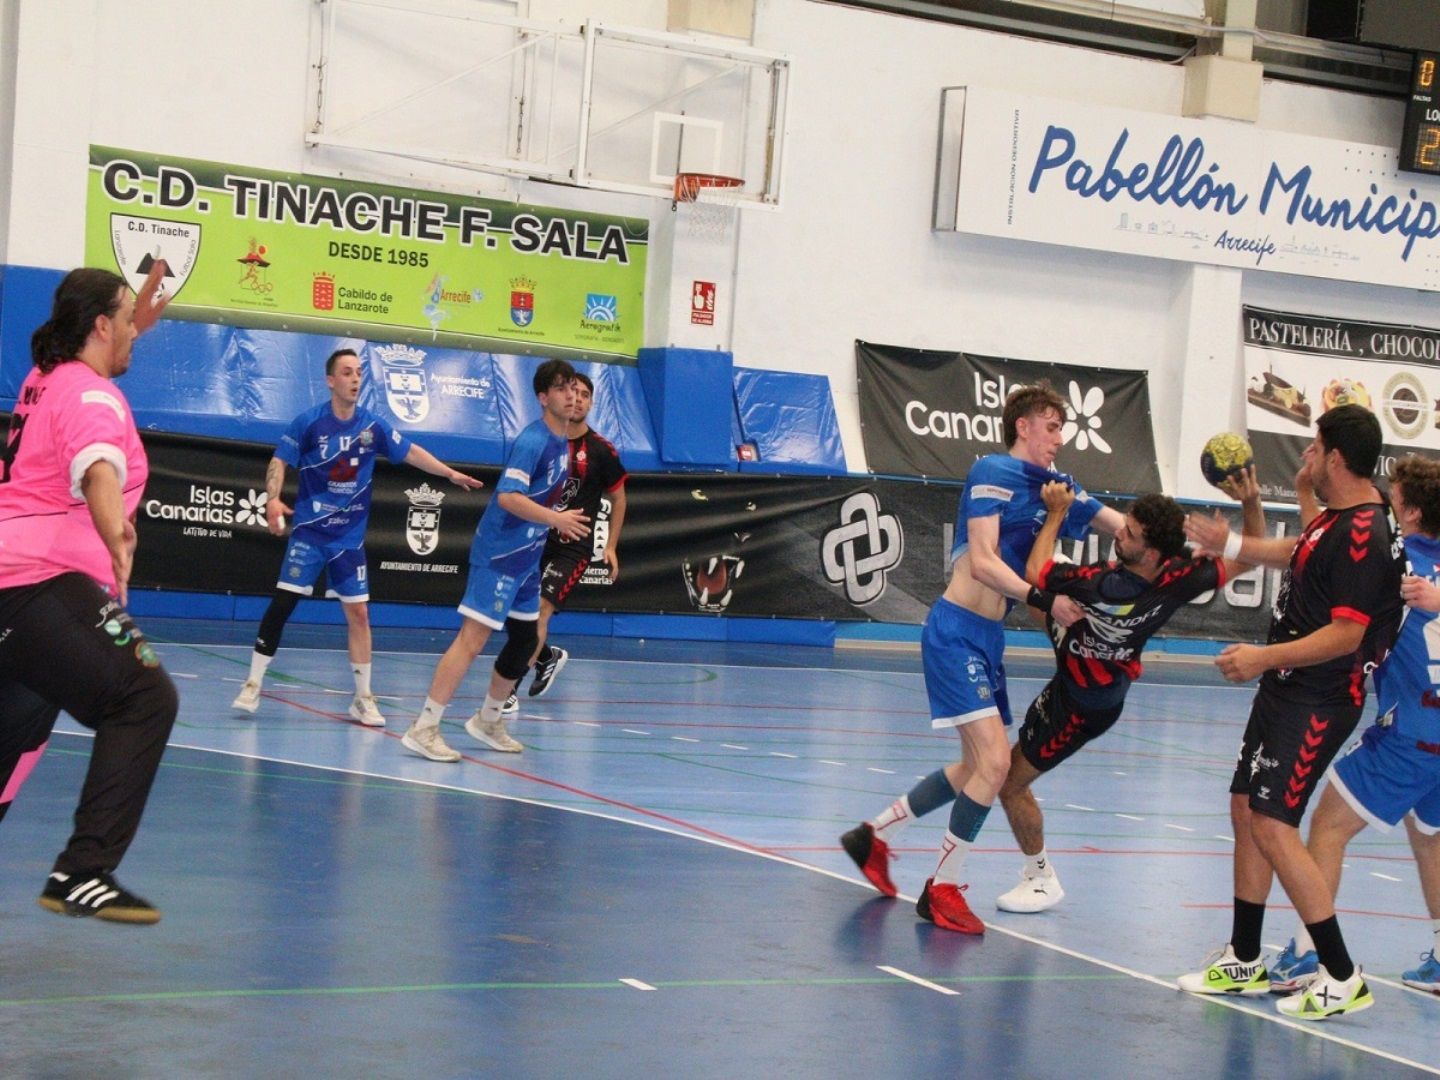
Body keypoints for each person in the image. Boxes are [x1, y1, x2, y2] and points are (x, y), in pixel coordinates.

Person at [840, 381, 1123, 934]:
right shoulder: (993, 471)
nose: (1059, 439)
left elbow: (1120, 525)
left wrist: (1194, 547)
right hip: (955, 631)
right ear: (1023, 426)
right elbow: (987, 563)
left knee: (975, 766)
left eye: (1063, 428)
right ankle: (942, 888)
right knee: (995, 763)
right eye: (1051, 426)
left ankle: (872, 837)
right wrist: (1045, 598)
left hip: (988, 639)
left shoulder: (1058, 488)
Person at [1178, 404, 1403, 1021]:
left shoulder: (1365, 532)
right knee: (1246, 808)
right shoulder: (1337, 519)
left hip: (1320, 698)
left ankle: (1341, 973)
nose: (1305, 453)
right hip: (1286, 689)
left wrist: (1261, 656)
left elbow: (1346, 635)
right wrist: (1230, 538)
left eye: (1312, 447)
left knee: (1275, 824)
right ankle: (1245, 957)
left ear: (1335, 455)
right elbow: (1300, 552)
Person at [991, 469, 1263, 913]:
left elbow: (1037, 573)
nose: (1120, 531)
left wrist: (1057, 511)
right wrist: (1251, 503)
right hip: (1095, 663)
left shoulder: (1103, 584)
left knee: (1009, 783)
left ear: (1150, 552)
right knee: (1056, 615)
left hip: (1081, 702)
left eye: (1130, 533)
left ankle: (1040, 878)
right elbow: (1250, 557)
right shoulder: (1179, 575)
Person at [0, 263, 179, 923]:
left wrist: (145, 304)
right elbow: (98, 467)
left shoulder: (42, 380)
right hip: (38, 586)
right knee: (143, 696)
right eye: (129, 320)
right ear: (102, 326)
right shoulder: (93, 397)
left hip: (13, 596)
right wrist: (115, 532)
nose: (137, 332)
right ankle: (84, 871)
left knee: (12, 745)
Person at [230, 347, 483, 726]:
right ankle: (252, 683)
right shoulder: (310, 423)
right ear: (331, 380)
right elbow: (279, 460)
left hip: (348, 539)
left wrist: (449, 474)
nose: (355, 379)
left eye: (359, 373)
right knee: (283, 604)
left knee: (359, 614)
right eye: (347, 373)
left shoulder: (372, 426)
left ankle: (363, 698)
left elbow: (410, 451)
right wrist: (271, 499)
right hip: (310, 533)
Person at [1267, 454, 1440, 999]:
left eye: (1392, 495)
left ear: (1408, 512)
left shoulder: (1398, 563)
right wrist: (1306, 498)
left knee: (1327, 827)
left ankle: (1307, 952)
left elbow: (1320, 556)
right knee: (1430, 837)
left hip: (1413, 732)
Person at [400, 360, 588, 762]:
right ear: (543, 398)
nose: (571, 395)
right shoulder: (534, 441)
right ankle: (425, 726)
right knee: (473, 639)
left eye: (574, 387)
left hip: (526, 559)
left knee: (524, 639)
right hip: (500, 554)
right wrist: (556, 520)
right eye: (561, 389)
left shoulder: (564, 442)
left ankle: (487, 720)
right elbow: (508, 497)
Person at [502, 371, 627, 711]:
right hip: (536, 537)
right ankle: (546, 657)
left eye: (585, 394)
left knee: (541, 609)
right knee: (517, 615)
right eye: (573, 392)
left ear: (591, 402)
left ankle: (509, 689)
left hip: (572, 546)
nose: (578, 399)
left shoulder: (601, 450)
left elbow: (619, 498)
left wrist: (611, 545)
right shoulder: (540, 441)